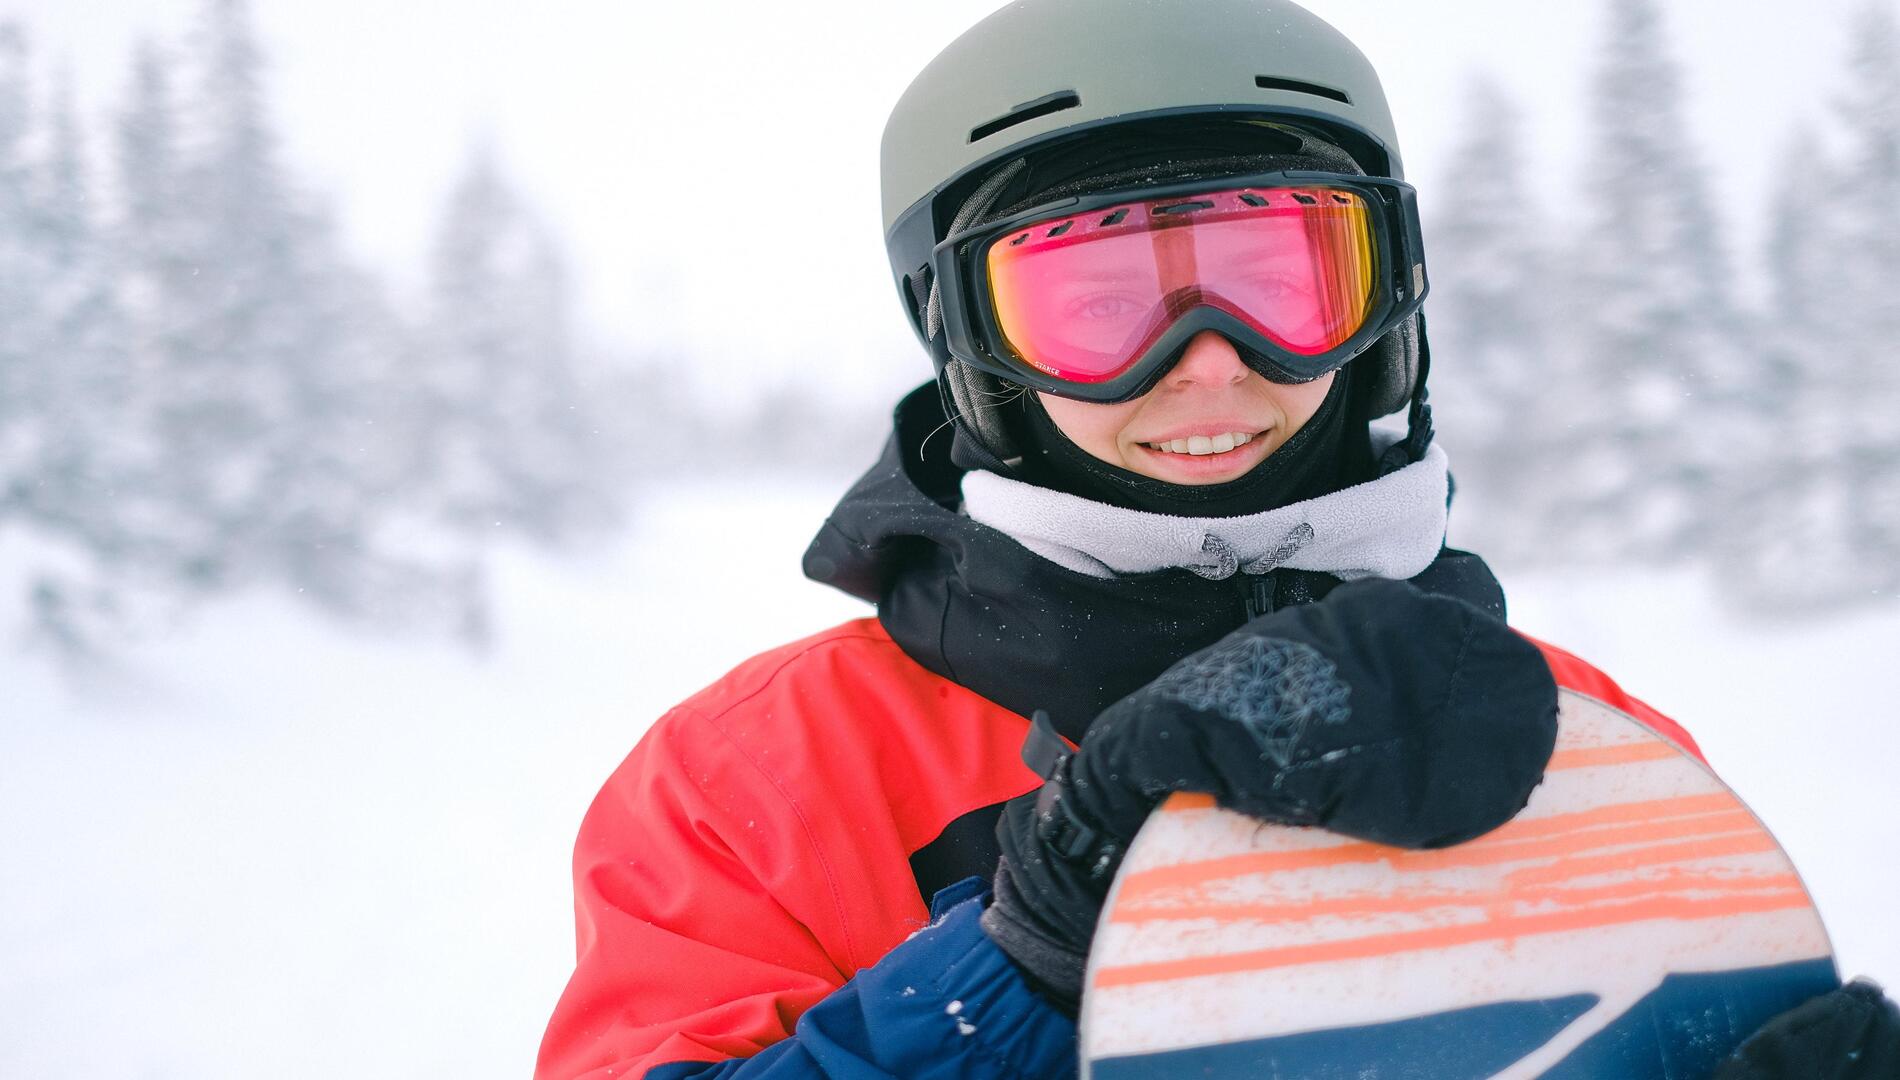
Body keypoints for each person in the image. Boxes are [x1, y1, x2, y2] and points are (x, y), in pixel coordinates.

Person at [535, 1, 1900, 1077]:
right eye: (1093, 301)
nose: (1205, 366)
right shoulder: (758, 778)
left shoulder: (1572, 732)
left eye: (1279, 276)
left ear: (1388, 293)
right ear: (968, 342)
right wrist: (1030, 952)